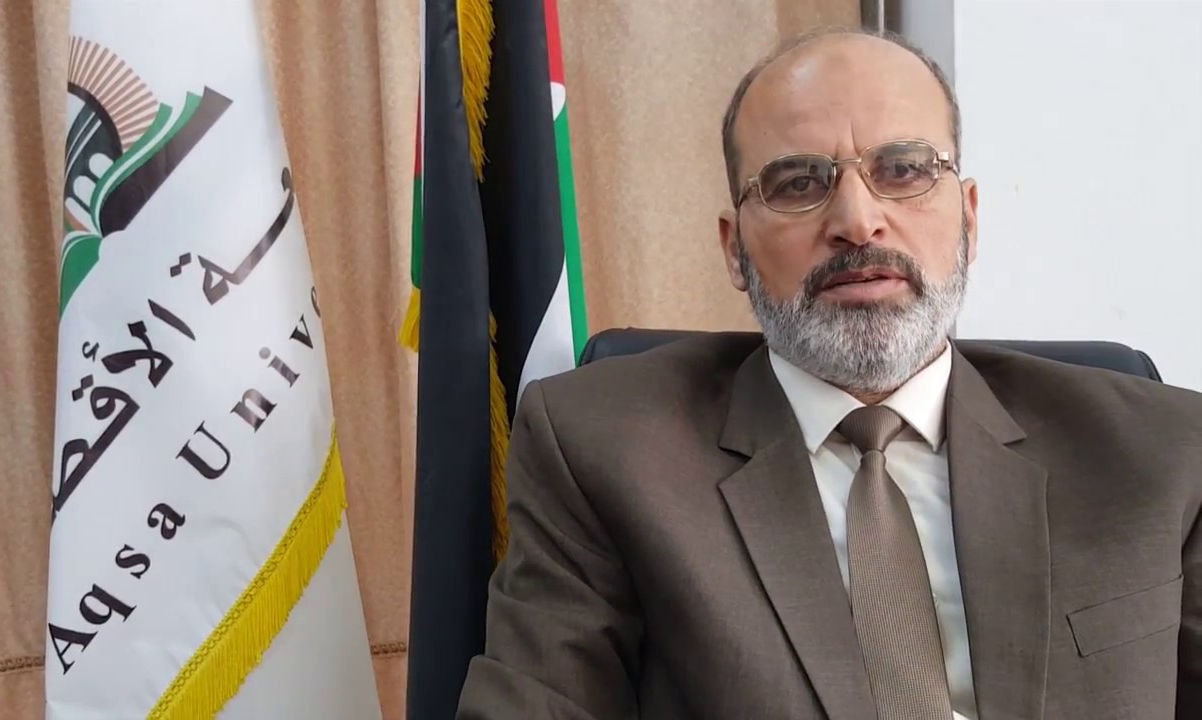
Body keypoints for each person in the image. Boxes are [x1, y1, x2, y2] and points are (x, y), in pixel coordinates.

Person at [455, 26, 1202, 720]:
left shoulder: (1163, 454)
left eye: (903, 170)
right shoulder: (603, 451)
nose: (856, 220)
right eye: (797, 183)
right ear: (734, 249)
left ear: (970, 219)